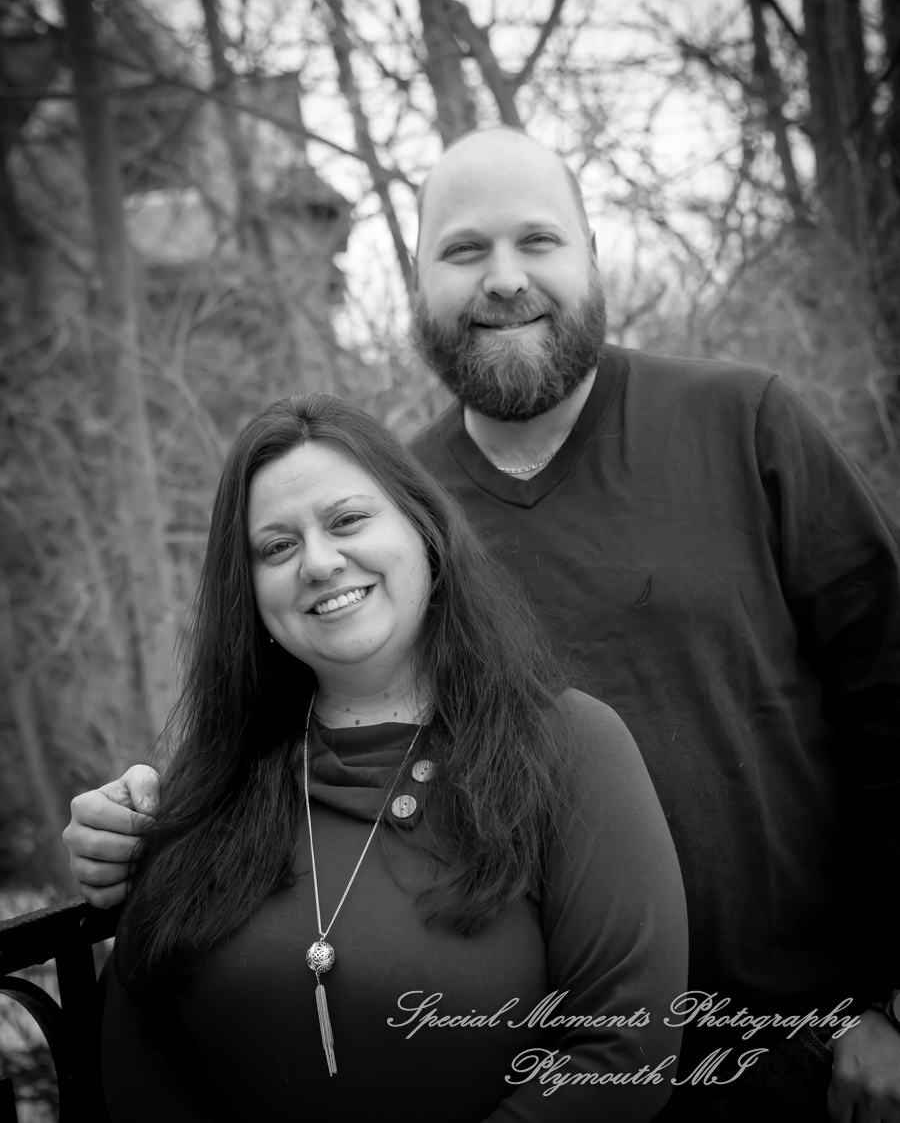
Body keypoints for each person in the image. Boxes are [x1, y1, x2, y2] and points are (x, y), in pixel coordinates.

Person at [66, 129, 900, 1120]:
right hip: (532, 1072)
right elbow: (301, 735)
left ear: (591, 254)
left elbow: (891, 698)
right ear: (417, 282)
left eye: (537, 240)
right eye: (463, 251)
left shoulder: (744, 422)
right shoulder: (387, 517)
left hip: (801, 1056)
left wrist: (884, 997)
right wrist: (142, 827)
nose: (504, 279)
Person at [96, 391, 688, 1123]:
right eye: (276, 547)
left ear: (425, 533)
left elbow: (624, 1051)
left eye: (347, 520)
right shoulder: (215, 777)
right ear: (249, 594)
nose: (318, 562)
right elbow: (140, 1041)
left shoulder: (569, 748)